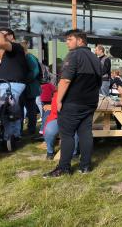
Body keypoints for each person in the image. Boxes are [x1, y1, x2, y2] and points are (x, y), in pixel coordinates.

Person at [44, 29, 102, 178]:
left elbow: (65, 80)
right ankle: (85, 167)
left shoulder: (75, 55)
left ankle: (63, 168)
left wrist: (58, 100)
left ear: (80, 40)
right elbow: (99, 82)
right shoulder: (96, 58)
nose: (67, 42)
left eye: (70, 39)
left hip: (73, 102)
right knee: (85, 134)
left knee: (67, 135)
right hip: (90, 103)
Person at [0, 28, 29, 147]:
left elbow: (1, 43)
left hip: (12, 83)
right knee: (6, 110)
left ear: (11, 36)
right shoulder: (6, 54)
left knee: (7, 110)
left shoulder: (16, 47)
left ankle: (12, 137)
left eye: (3, 34)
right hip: (4, 83)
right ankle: (10, 136)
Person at [43, 90, 79, 160]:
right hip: (56, 117)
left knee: (75, 133)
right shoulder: (57, 93)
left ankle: (74, 153)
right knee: (49, 131)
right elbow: (55, 109)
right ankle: (50, 152)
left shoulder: (78, 92)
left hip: (72, 118)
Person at [21, 41, 41, 136]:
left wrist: (25, 80)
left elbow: (35, 71)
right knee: (28, 108)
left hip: (30, 87)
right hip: (28, 86)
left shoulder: (29, 57)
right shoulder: (25, 57)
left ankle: (31, 129)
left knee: (31, 109)